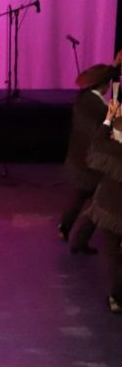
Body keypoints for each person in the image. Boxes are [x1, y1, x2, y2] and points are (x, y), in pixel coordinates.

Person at [62, 61, 120, 253]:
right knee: (97, 203)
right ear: (104, 86)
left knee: (90, 201)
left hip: (82, 159)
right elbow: (102, 135)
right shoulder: (100, 108)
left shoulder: (83, 98)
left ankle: (70, 233)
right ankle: (73, 236)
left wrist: (115, 65)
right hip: (92, 164)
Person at [84, 100, 121, 313]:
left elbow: (96, 142)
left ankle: (116, 297)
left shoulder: (111, 151)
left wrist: (108, 118)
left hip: (111, 210)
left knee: (113, 254)